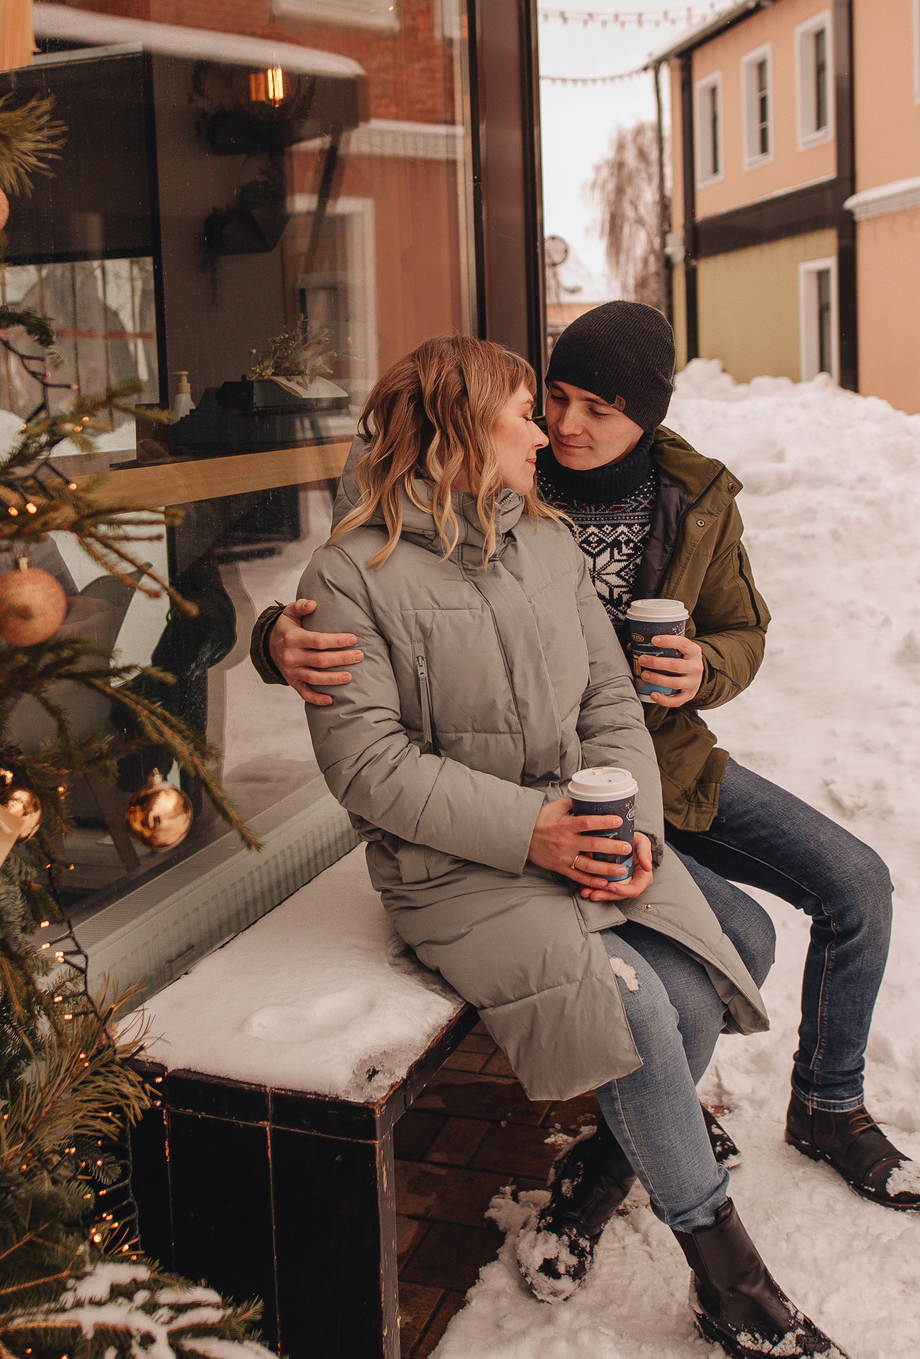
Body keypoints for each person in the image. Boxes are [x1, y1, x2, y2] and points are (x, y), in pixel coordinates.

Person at [258, 302, 920, 1223]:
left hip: (664, 762)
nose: (563, 426)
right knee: (720, 947)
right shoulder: (489, 459)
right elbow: (362, 576)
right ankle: (648, 1136)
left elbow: (744, 630)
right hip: (541, 789)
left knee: (857, 883)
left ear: (644, 418)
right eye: (554, 398)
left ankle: (824, 1102)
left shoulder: (692, 496)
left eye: (597, 409)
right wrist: (276, 638)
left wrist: (705, 666)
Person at [296, 336, 841, 1357]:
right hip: (450, 865)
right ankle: (731, 1281)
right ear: (464, 429)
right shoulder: (350, 572)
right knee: (637, 1006)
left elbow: (608, 700)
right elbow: (369, 767)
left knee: (714, 974)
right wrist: (531, 831)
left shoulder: (542, 540)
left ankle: (613, 1160)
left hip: (578, 825)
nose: (545, 434)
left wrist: (629, 827)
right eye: (524, 413)